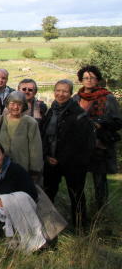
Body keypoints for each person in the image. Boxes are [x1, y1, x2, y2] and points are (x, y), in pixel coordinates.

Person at [42, 79, 95, 228]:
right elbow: (44, 136)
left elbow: (83, 143)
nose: (61, 94)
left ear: (71, 93)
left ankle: (80, 229)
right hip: (51, 162)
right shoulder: (51, 110)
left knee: (76, 196)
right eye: (58, 90)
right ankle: (49, 226)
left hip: (73, 165)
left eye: (65, 91)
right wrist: (46, 156)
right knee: (48, 195)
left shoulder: (79, 115)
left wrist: (61, 159)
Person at [73, 66, 122, 209]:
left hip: (100, 145)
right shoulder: (76, 98)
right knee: (78, 180)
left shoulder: (108, 98)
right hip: (80, 145)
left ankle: (101, 213)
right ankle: (80, 211)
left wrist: (100, 123)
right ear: (81, 80)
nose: (88, 81)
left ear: (98, 79)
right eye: (85, 78)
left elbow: (118, 122)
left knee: (99, 180)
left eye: (92, 77)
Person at [0, 91, 43, 183]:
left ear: (24, 106)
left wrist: (35, 170)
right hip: (1, 167)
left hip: (22, 167)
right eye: (12, 104)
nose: (15, 107)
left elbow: (35, 148)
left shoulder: (30, 123)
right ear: (7, 104)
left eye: (19, 104)